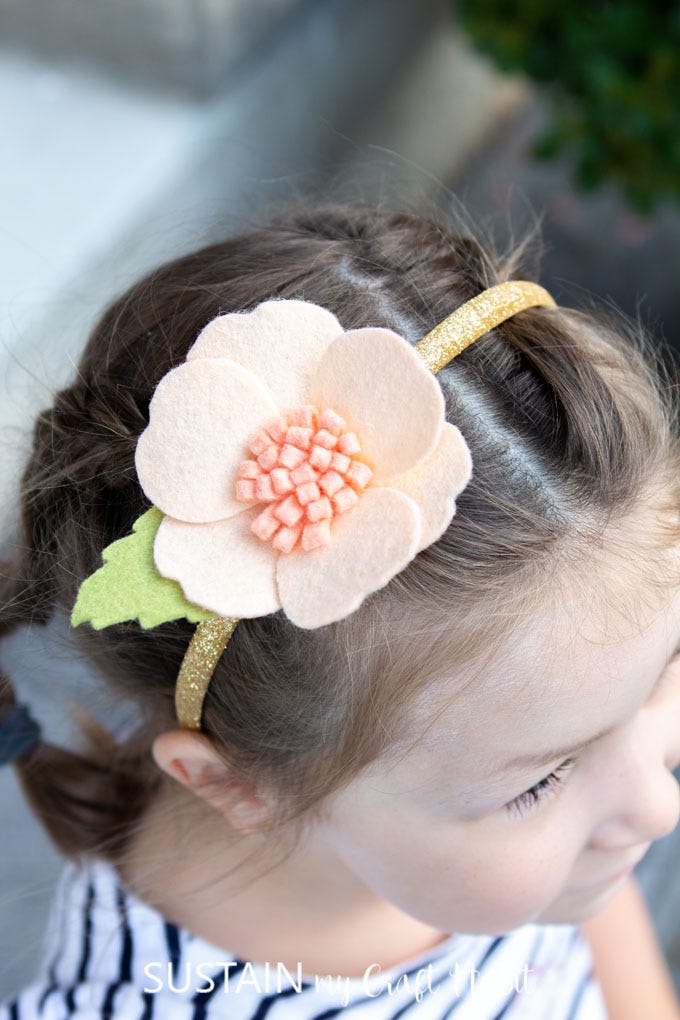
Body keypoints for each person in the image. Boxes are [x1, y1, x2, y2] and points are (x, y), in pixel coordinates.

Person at [2, 204, 680, 1020]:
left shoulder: (547, 828)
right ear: (240, 787)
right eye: (542, 783)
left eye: (656, 682)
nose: (658, 803)